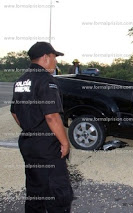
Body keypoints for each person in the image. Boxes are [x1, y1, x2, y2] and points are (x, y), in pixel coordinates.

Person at [10, 41, 73, 212]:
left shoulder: (21, 81)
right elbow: (52, 116)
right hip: (48, 148)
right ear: (45, 57)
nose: (56, 62)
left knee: (35, 191)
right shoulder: (47, 81)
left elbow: (15, 112)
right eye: (54, 57)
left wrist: (31, 128)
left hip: (29, 145)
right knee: (59, 194)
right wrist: (65, 143)